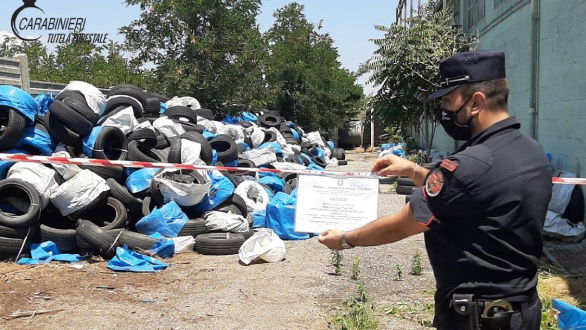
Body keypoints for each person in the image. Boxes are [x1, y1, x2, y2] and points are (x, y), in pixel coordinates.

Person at [318, 50, 552, 330]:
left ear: (476, 102)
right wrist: (414, 171)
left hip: (477, 317)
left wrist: (346, 239)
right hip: (522, 311)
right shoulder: (530, 151)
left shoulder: (470, 165)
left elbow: (402, 224)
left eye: (449, 100)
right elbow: (473, 192)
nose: (444, 110)